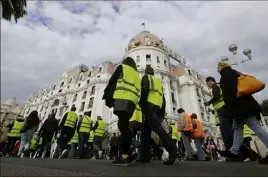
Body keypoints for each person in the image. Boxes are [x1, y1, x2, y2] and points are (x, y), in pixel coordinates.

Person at [217, 60, 268, 164]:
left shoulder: (226, 75)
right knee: (237, 128)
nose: (217, 70)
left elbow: (229, 93)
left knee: (254, 126)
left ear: (222, 66)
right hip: (243, 105)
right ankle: (234, 152)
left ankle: (234, 153)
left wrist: (228, 108)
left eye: (217, 67)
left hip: (241, 106)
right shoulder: (235, 73)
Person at [102, 57, 141, 165]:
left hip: (122, 99)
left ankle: (127, 153)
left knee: (123, 127)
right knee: (123, 125)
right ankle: (127, 153)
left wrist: (108, 97)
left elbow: (112, 82)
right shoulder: (137, 75)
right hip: (132, 102)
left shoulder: (122, 67)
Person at [139, 65, 177, 165]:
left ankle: (173, 150)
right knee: (145, 132)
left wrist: (142, 104)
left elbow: (145, 91)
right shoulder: (158, 82)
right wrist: (161, 111)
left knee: (158, 129)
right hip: (157, 107)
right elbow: (163, 98)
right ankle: (144, 157)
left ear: (146, 72)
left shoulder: (146, 77)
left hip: (149, 106)